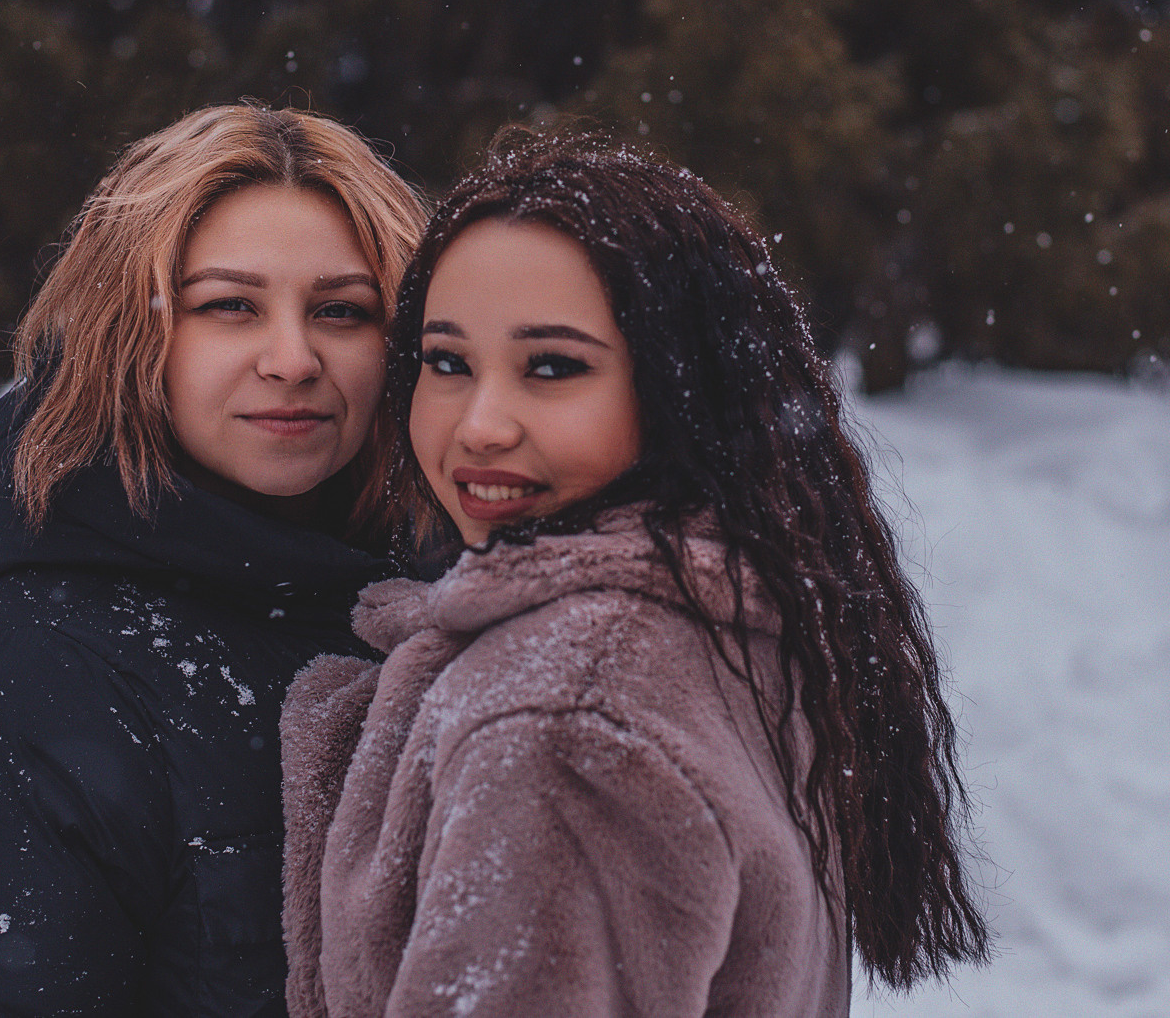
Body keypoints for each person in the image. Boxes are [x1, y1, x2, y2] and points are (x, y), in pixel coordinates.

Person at [280, 134, 989, 1018]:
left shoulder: (563, 715)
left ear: (680, 387)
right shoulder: (730, 620)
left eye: (553, 366)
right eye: (448, 363)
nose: (480, 425)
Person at [0, 103, 425, 1017]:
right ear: (132, 334)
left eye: (342, 311)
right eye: (231, 306)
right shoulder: (51, 663)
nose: (294, 358)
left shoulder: (453, 599)